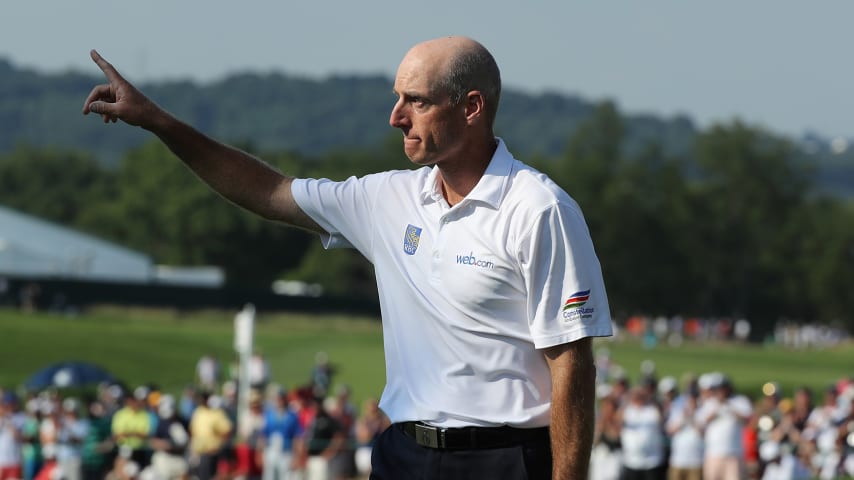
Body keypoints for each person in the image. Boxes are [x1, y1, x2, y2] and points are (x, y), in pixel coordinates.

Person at [83, 35, 613, 479]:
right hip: (404, 454)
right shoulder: (388, 198)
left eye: (417, 101)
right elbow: (270, 192)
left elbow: (572, 367)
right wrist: (158, 121)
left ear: (471, 108)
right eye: (396, 98)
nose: (395, 117)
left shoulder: (539, 209)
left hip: (504, 461)